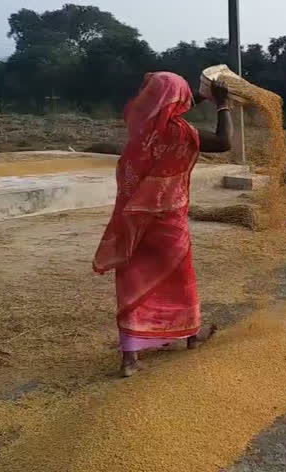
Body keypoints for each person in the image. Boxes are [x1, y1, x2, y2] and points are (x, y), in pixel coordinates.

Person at [93, 71, 233, 377]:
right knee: (180, 279)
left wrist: (202, 95)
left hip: (134, 218)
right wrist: (222, 104)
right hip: (167, 220)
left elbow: (168, 103)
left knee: (132, 282)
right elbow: (224, 142)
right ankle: (191, 336)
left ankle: (129, 359)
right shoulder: (178, 132)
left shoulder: (139, 125)